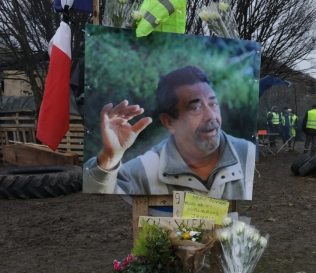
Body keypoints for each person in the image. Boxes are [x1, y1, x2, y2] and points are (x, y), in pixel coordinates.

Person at [83, 65, 255, 200]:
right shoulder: (142, 171)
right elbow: (98, 203)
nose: (211, 115)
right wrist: (109, 157)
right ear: (170, 122)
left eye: (213, 103)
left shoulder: (248, 155)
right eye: (195, 107)